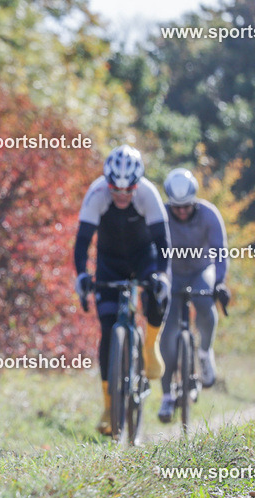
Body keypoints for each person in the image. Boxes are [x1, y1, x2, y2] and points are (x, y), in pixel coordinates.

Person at [73, 145, 170, 436]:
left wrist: (162, 275)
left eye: (129, 190)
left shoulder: (148, 194)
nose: (122, 196)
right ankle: (108, 405)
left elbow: (163, 242)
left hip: (144, 258)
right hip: (109, 262)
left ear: (137, 184)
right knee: (107, 329)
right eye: (116, 190)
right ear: (108, 183)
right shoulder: (97, 194)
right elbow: (82, 241)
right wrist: (82, 276)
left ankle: (150, 345)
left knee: (156, 294)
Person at [157, 168, 230, 422]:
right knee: (168, 333)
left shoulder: (209, 214)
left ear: (194, 201)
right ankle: (167, 395)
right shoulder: (161, 215)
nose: (182, 212)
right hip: (173, 274)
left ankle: (204, 353)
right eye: (176, 208)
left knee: (204, 301)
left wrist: (219, 283)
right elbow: (153, 249)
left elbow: (220, 251)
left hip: (201, 270)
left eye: (186, 206)